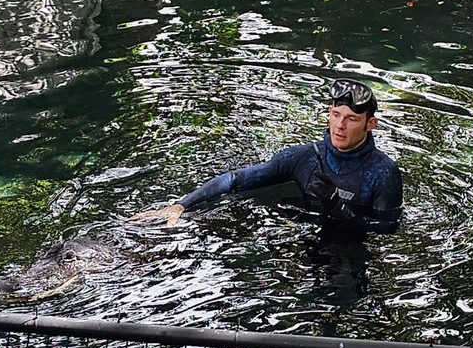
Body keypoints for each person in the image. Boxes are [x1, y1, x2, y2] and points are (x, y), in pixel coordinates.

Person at [135, 78, 402, 234]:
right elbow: (235, 180)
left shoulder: (382, 173)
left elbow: (387, 229)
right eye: (335, 115)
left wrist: (339, 210)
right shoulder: (304, 159)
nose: (340, 126)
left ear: (371, 124)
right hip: (296, 235)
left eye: (351, 119)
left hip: (350, 250)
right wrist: (182, 205)